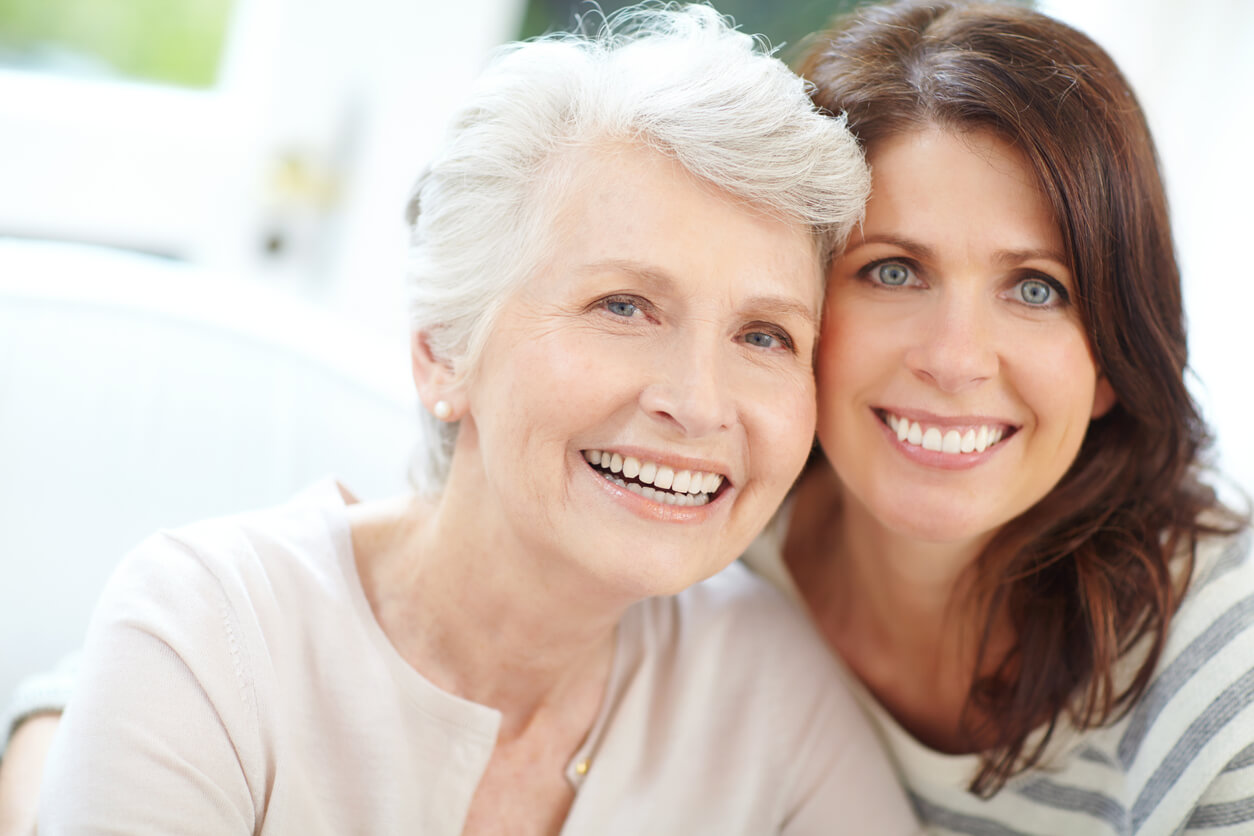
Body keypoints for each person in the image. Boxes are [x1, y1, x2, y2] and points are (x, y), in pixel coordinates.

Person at [24, 5, 919, 834]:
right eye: (622, 307)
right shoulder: (208, 635)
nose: (697, 402)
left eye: (763, 335)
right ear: (443, 352)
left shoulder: (771, 690)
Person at [739, 1, 1251, 832]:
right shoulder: (713, 555)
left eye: (1037, 288)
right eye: (895, 271)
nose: (955, 357)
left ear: (1111, 364)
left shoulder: (1227, 672)